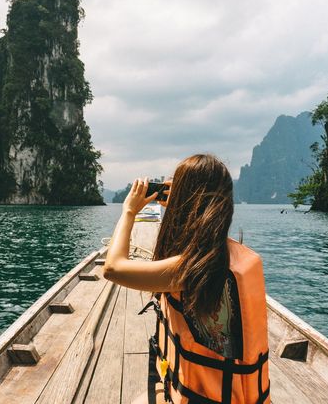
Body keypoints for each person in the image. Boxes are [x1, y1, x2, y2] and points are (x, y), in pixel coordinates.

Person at [104, 154, 270, 404]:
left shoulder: (192, 268)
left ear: (187, 199)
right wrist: (180, 204)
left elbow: (112, 268)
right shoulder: (224, 256)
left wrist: (129, 211)